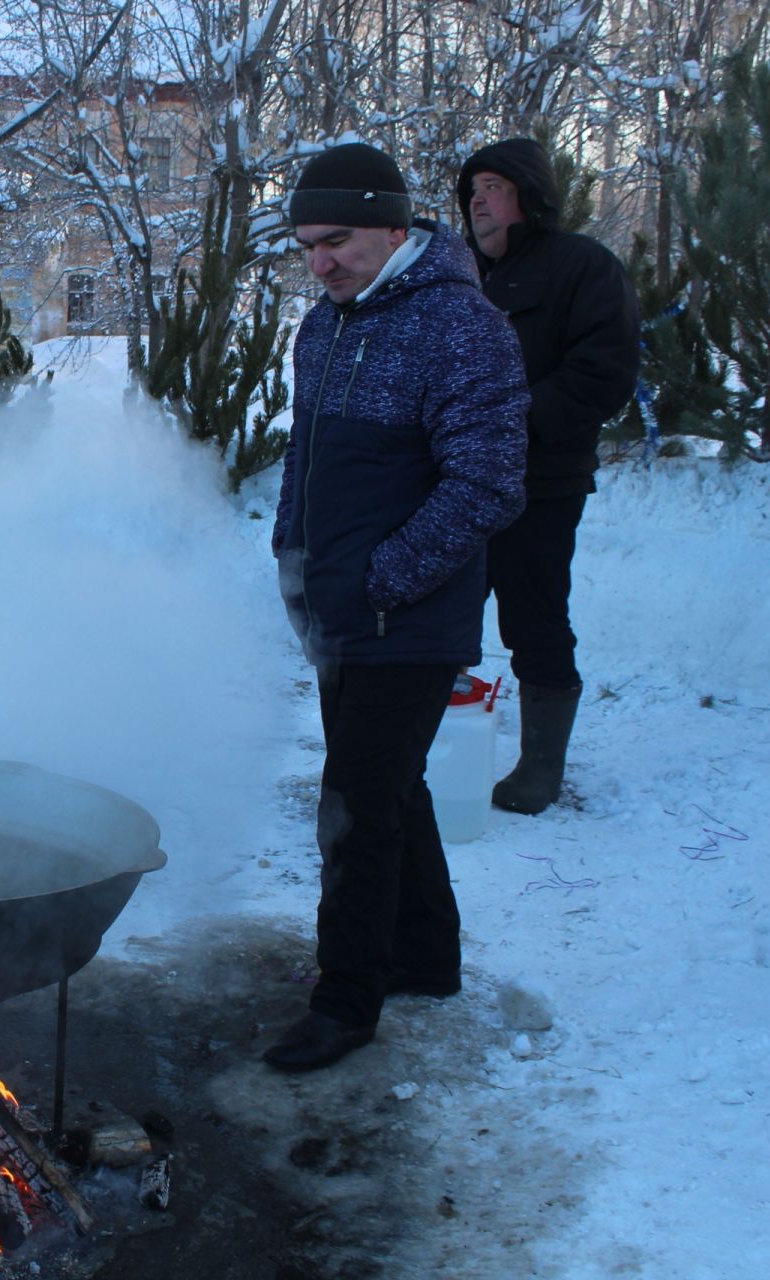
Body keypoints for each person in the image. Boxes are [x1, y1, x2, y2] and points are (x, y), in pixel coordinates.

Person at [265, 142, 528, 1072]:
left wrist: (382, 580)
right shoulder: (324, 326)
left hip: (405, 617)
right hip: (342, 605)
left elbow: (490, 482)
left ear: (392, 225)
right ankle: (424, 955)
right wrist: (291, 553)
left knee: (355, 807)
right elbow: (308, 454)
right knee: (390, 787)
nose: (320, 262)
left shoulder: (461, 327)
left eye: (337, 240)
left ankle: (346, 1002)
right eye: (306, 245)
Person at [456, 139, 640, 815]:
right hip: (454, 481)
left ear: (530, 195)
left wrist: (513, 420)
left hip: (542, 480)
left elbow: (605, 371)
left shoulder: (583, 267)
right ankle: (428, 735)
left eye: (494, 186)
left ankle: (539, 766)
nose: (478, 199)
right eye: (472, 188)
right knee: (438, 609)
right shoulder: (458, 274)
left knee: (533, 615)